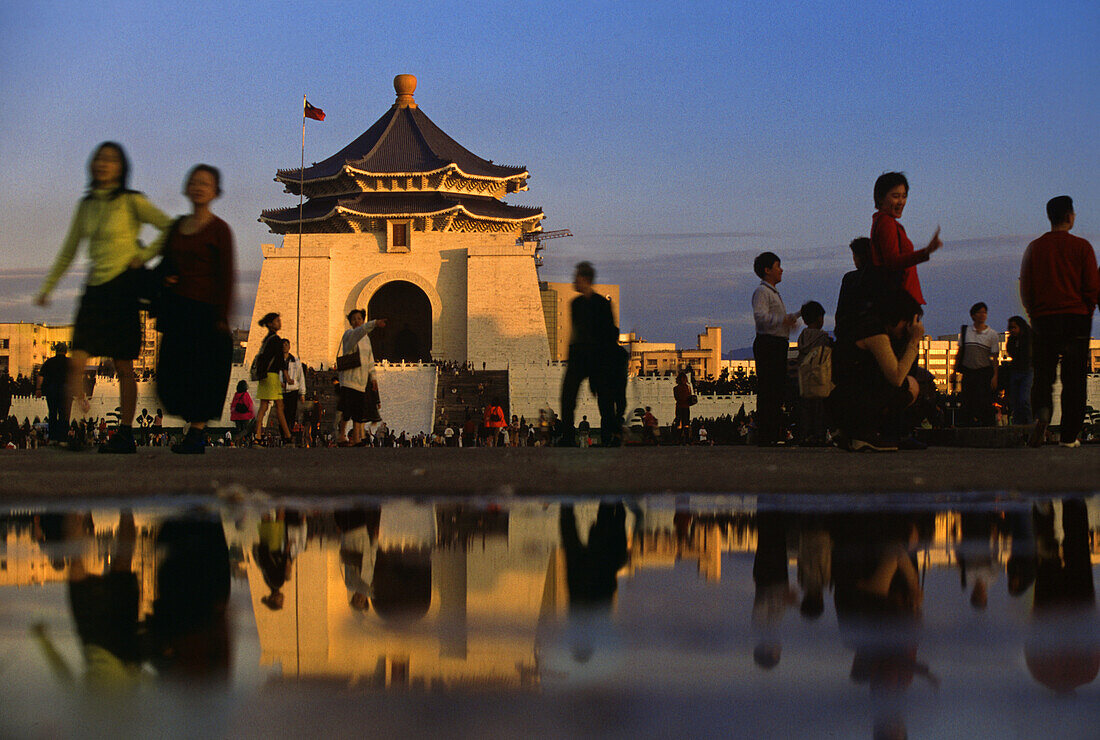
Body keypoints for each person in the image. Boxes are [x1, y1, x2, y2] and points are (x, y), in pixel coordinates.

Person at [35, 142, 171, 453]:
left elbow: (167, 226)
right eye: (99, 159)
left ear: (121, 167)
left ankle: (125, 433)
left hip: (123, 288)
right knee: (78, 359)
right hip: (94, 290)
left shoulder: (132, 201)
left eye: (110, 160)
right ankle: (65, 432)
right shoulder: (86, 205)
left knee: (123, 365)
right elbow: (70, 248)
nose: (103, 164)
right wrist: (48, 287)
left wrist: (144, 255)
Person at [154, 164, 235, 454]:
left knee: (202, 374)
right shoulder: (176, 227)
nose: (199, 187)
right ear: (187, 187)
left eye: (206, 183)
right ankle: (193, 427)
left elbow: (226, 275)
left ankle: (197, 433)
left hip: (205, 310)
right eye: (195, 182)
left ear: (215, 192)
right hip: (178, 309)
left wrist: (222, 316)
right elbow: (164, 261)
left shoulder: (219, 230)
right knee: (170, 376)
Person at [1019, 196, 1098, 448]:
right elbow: (1092, 286)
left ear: (1050, 216)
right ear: (1070, 216)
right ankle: (1068, 436)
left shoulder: (1035, 247)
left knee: (1044, 374)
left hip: (1044, 318)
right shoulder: (1082, 247)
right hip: (1076, 318)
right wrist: (1087, 311)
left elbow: (1026, 286)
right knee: (1074, 379)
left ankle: (1042, 411)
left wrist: (1033, 313)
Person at [831, 289, 924, 451]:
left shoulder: (864, 325)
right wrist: (914, 341)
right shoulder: (875, 334)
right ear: (899, 317)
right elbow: (897, 377)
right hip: (852, 401)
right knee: (910, 385)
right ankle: (863, 433)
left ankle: (853, 432)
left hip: (842, 398)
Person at [557, 262, 621, 446]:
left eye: (576, 276)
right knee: (567, 397)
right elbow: (575, 333)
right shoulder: (575, 304)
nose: (573, 280)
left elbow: (609, 333)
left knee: (605, 401)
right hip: (578, 357)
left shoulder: (601, 304)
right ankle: (568, 437)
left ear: (584, 279)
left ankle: (609, 437)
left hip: (598, 357)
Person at [869, 172, 943, 305]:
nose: (901, 202)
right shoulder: (886, 222)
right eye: (895, 196)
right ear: (880, 198)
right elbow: (892, 262)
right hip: (901, 301)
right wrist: (925, 252)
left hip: (899, 299)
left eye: (904, 196)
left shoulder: (881, 221)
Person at [751, 252, 799, 446]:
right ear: (767, 270)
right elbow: (760, 318)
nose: (781, 270)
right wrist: (783, 320)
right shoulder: (762, 292)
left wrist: (796, 315)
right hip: (769, 343)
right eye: (778, 266)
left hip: (777, 344)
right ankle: (767, 434)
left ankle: (772, 432)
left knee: (776, 389)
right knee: (769, 389)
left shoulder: (772, 293)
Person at [337, 309, 387, 446]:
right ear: (350, 322)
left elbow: (370, 359)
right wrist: (375, 323)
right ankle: (341, 436)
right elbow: (359, 332)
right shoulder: (349, 335)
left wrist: (374, 378)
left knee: (358, 411)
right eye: (353, 319)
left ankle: (357, 439)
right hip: (348, 380)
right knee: (346, 411)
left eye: (359, 318)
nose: (357, 321)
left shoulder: (366, 339)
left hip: (361, 381)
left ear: (362, 320)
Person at [952, 302, 1000, 427]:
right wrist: (954, 371)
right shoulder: (966, 331)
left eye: (984, 312)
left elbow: (994, 358)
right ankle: (966, 424)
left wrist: (995, 376)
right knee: (967, 400)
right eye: (979, 312)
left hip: (983, 372)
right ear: (973, 315)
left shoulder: (992, 334)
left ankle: (986, 425)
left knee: (984, 400)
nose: (982, 315)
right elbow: (960, 351)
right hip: (968, 371)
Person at [253, 312, 291, 445]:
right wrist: (287, 377)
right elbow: (280, 361)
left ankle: (258, 436)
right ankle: (288, 436)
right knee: (279, 407)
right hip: (272, 377)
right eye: (276, 321)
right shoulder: (276, 340)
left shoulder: (267, 339)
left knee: (263, 407)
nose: (279, 323)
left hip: (265, 377)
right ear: (270, 324)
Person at [796, 300, 832, 445]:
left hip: (804, 379)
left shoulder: (802, 337)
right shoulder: (822, 338)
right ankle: (818, 436)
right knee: (820, 410)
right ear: (820, 318)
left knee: (806, 409)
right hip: (820, 378)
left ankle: (806, 435)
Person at [36, 343, 72, 445]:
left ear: (56, 350)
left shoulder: (49, 362)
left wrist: (38, 389)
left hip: (52, 392)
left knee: (52, 413)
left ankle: (53, 438)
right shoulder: (70, 363)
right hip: (66, 392)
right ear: (66, 351)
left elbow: (40, 376)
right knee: (64, 415)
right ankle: (63, 439)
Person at [1004, 316, 1033, 425]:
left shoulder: (1029, 338)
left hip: (1027, 371)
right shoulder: (1011, 340)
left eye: (1014, 327)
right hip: (1016, 371)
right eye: (1010, 328)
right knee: (1015, 402)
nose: (1012, 330)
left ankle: (1030, 425)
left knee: (1024, 399)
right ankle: (1018, 426)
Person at [280, 339, 306, 436]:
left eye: (286, 345)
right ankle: (284, 435)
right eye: (283, 345)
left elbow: (300, 377)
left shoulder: (295, 361)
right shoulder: (277, 361)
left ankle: (288, 434)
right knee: (281, 415)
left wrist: (302, 393)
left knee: (291, 414)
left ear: (289, 346)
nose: (284, 347)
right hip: (281, 391)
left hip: (293, 391)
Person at [673, 372, 693, 445]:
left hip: (679, 407)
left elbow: (676, 398)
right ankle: (687, 440)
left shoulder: (675, 388)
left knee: (679, 424)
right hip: (686, 407)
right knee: (686, 424)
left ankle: (678, 440)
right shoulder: (688, 387)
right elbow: (690, 397)